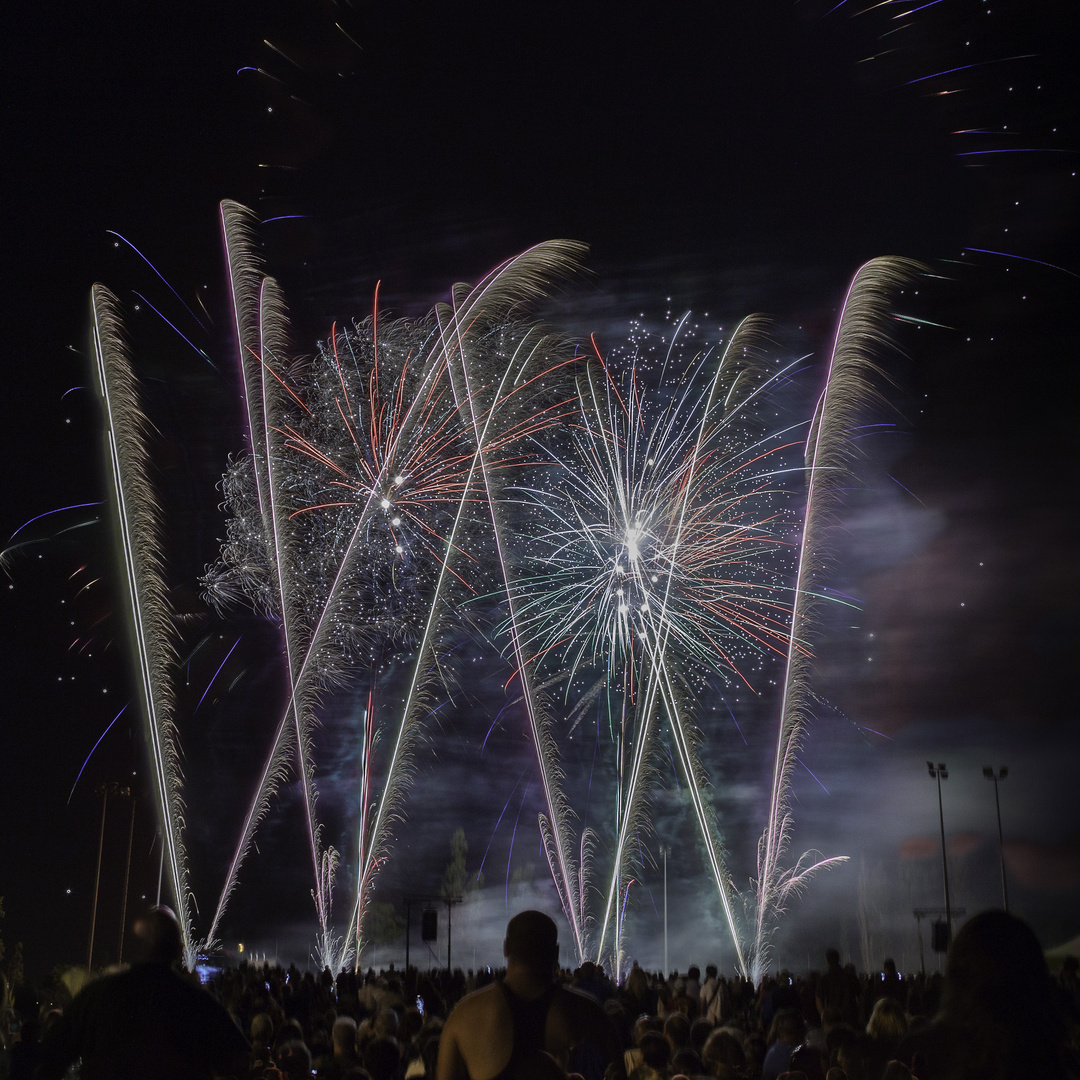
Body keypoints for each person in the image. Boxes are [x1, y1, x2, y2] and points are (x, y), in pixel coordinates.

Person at [37, 905, 250, 1079]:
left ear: (135, 947)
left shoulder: (96, 996)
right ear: (177, 949)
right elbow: (238, 1060)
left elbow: (52, 1055)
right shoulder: (197, 1002)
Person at [436, 911, 622, 1080]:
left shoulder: (464, 1016)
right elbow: (618, 1070)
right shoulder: (586, 1012)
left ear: (506, 948)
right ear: (555, 952)